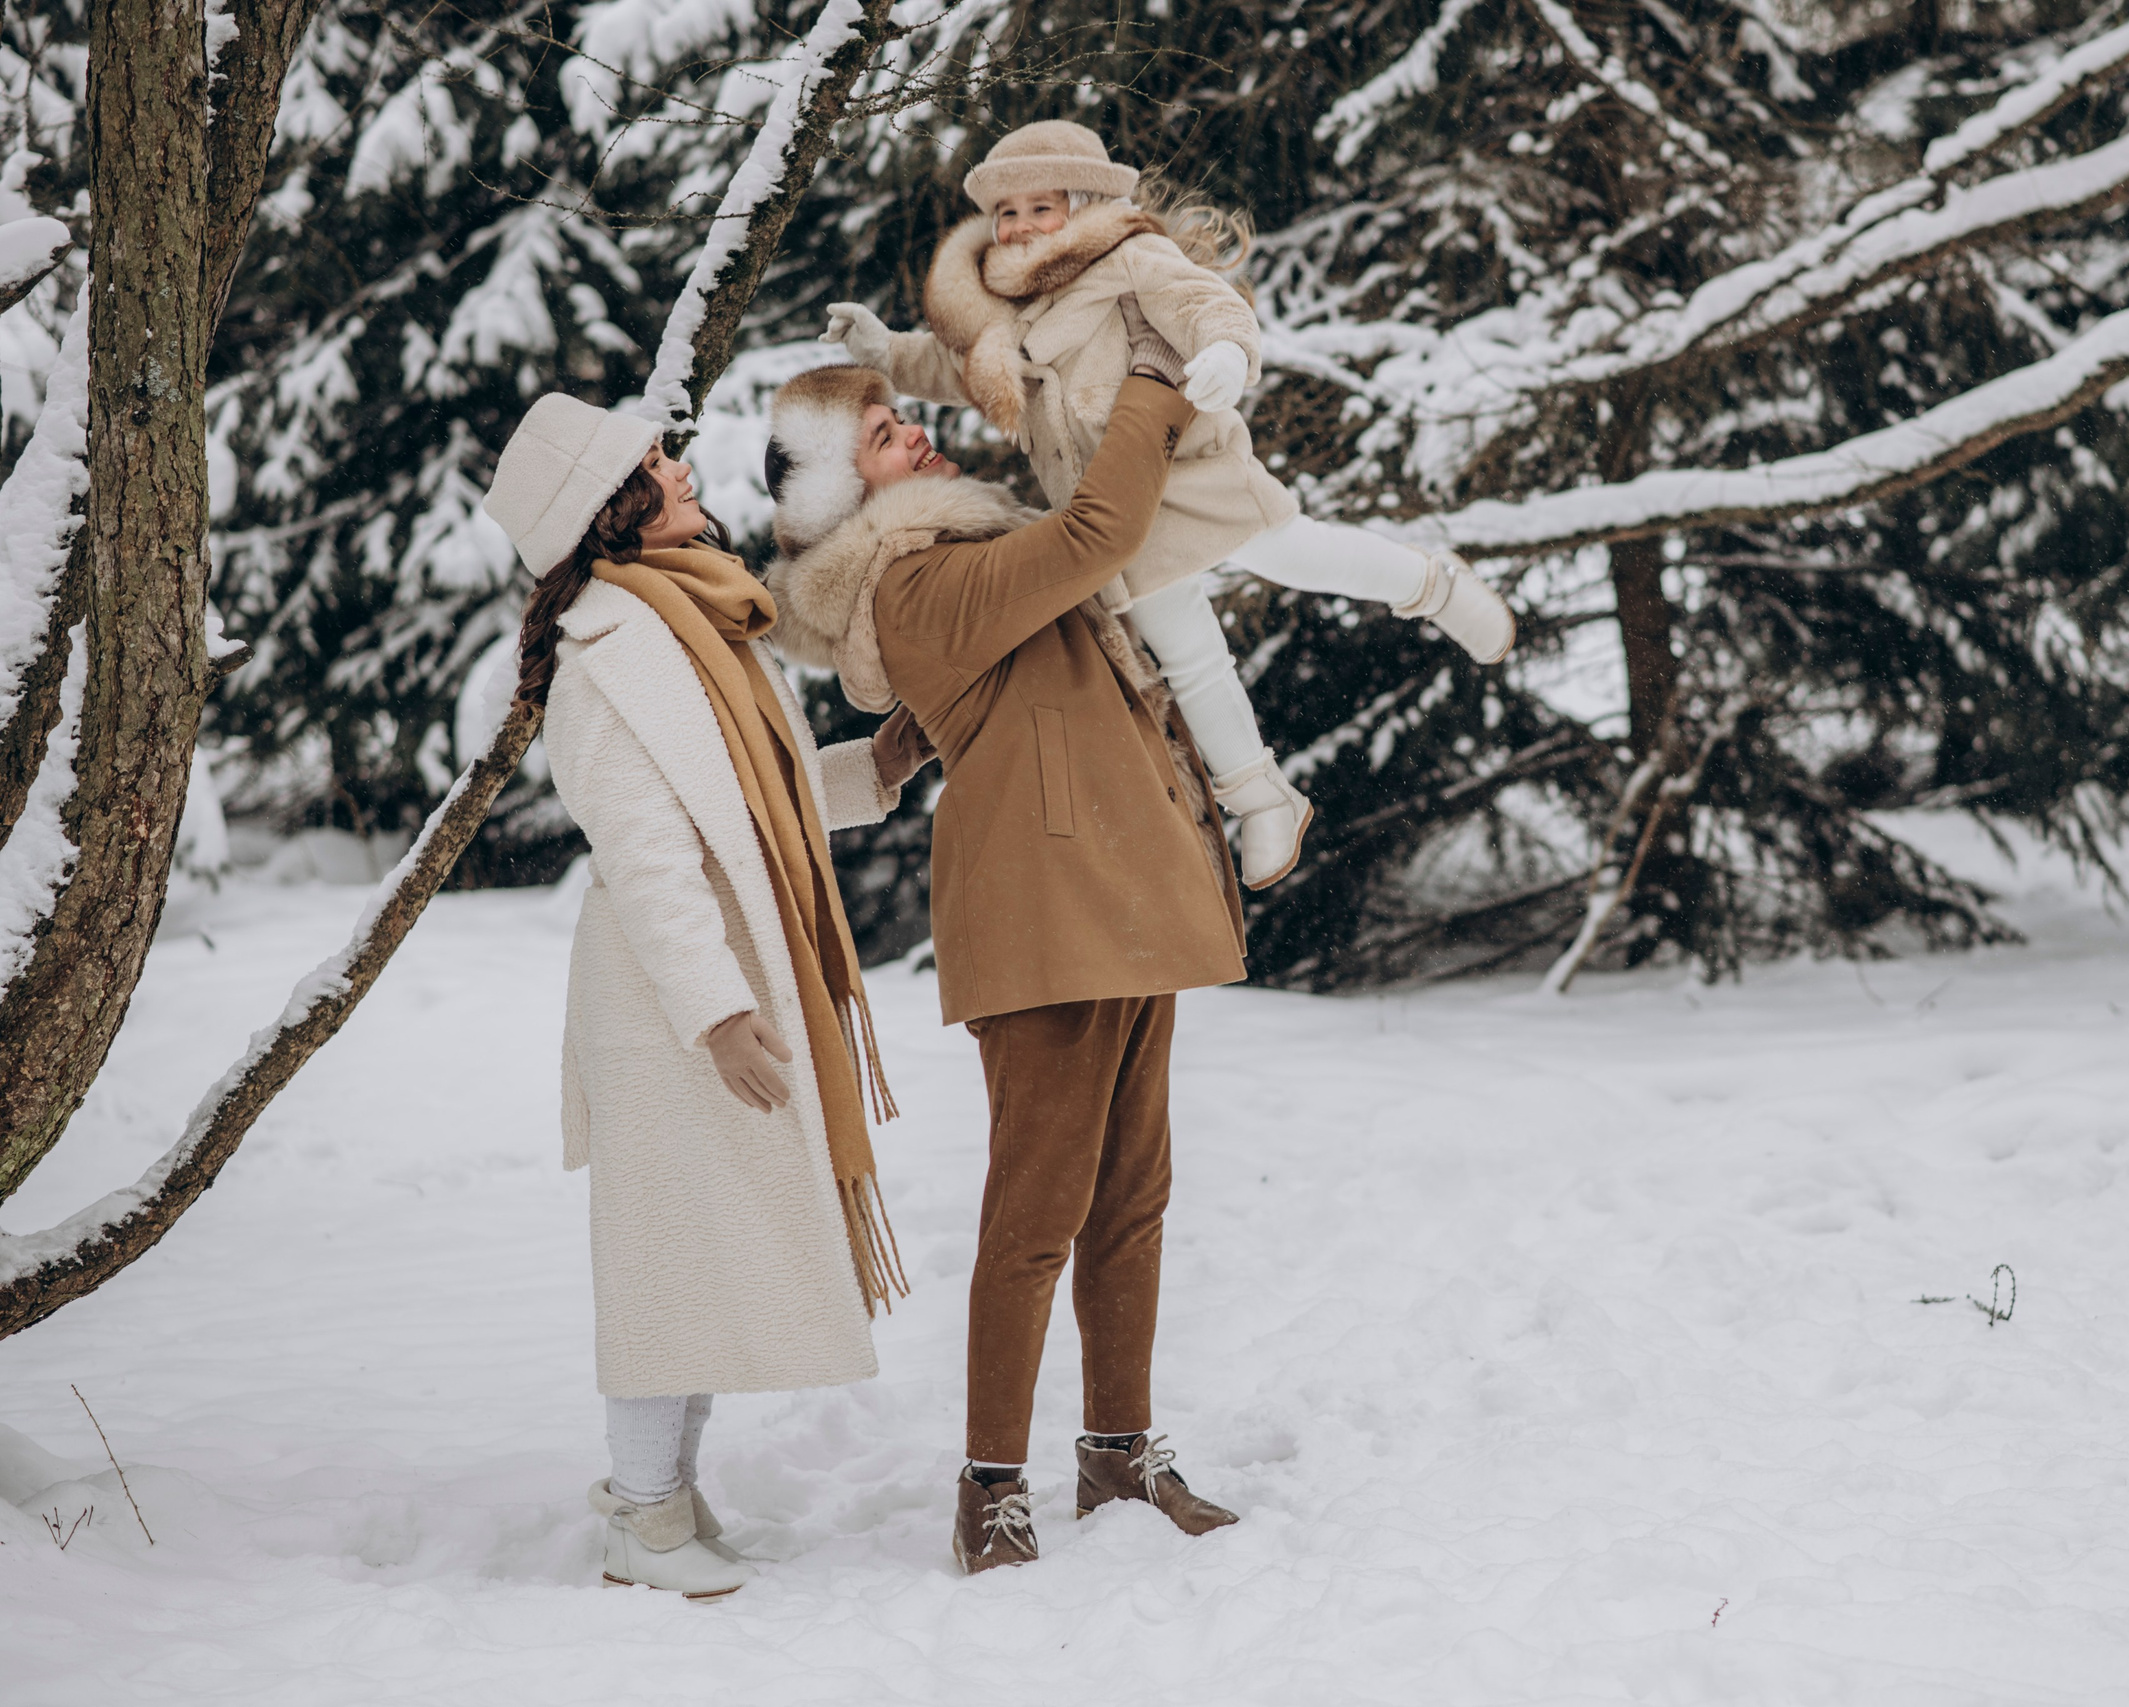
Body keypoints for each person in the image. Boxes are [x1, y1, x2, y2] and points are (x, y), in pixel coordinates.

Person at [762, 315, 1249, 1574]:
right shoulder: (915, 584)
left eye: (898, 414)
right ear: (837, 487)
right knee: (1035, 1213)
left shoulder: (954, 558)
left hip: (1120, 893)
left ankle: (1117, 1451)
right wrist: (1149, 378)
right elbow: (1097, 533)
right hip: (1044, 910)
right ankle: (992, 1489)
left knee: (1131, 1197)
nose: (911, 432)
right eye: (880, 435)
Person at [482, 397, 931, 1599]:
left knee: (709, 1253)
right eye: (649, 463)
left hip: (729, 976)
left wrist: (872, 767)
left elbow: (754, 804)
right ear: (608, 510)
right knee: (664, 1261)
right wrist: (715, 1012)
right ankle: (641, 1515)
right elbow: (646, 855)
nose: (677, 467)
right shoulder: (608, 654)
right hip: (668, 1000)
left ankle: (669, 1504)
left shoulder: (702, 621)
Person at [820, 119, 1516, 889]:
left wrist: (1224, 354)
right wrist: (886, 350)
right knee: (1189, 657)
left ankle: (1434, 585)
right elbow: (958, 369)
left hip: (1190, 472)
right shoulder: (1004, 308)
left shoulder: (1128, 256)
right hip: (1116, 510)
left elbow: (1206, 305)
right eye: (1006, 213)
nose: (1019, 227)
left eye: (1039, 207)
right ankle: (1259, 794)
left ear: (1081, 204)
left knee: (1303, 553)